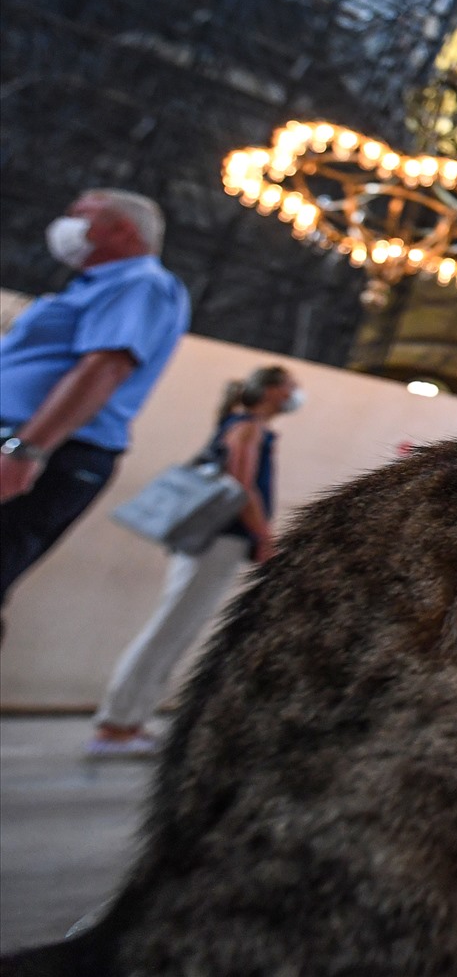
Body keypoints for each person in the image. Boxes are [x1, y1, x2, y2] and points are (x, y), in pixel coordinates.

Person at [88, 367, 299, 758]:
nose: (294, 396)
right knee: (171, 627)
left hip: (218, 543)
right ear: (270, 392)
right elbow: (240, 485)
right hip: (217, 540)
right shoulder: (249, 427)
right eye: (289, 388)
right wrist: (264, 535)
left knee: (179, 630)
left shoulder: (247, 425)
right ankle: (115, 725)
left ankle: (130, 720)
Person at [0, 191, 191, 616]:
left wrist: (26, 449)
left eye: (79, 214)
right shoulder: (96, 286)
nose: (65, 223)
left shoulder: (141, 283)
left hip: (46, 449)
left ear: (122, 229)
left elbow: (104, 369)